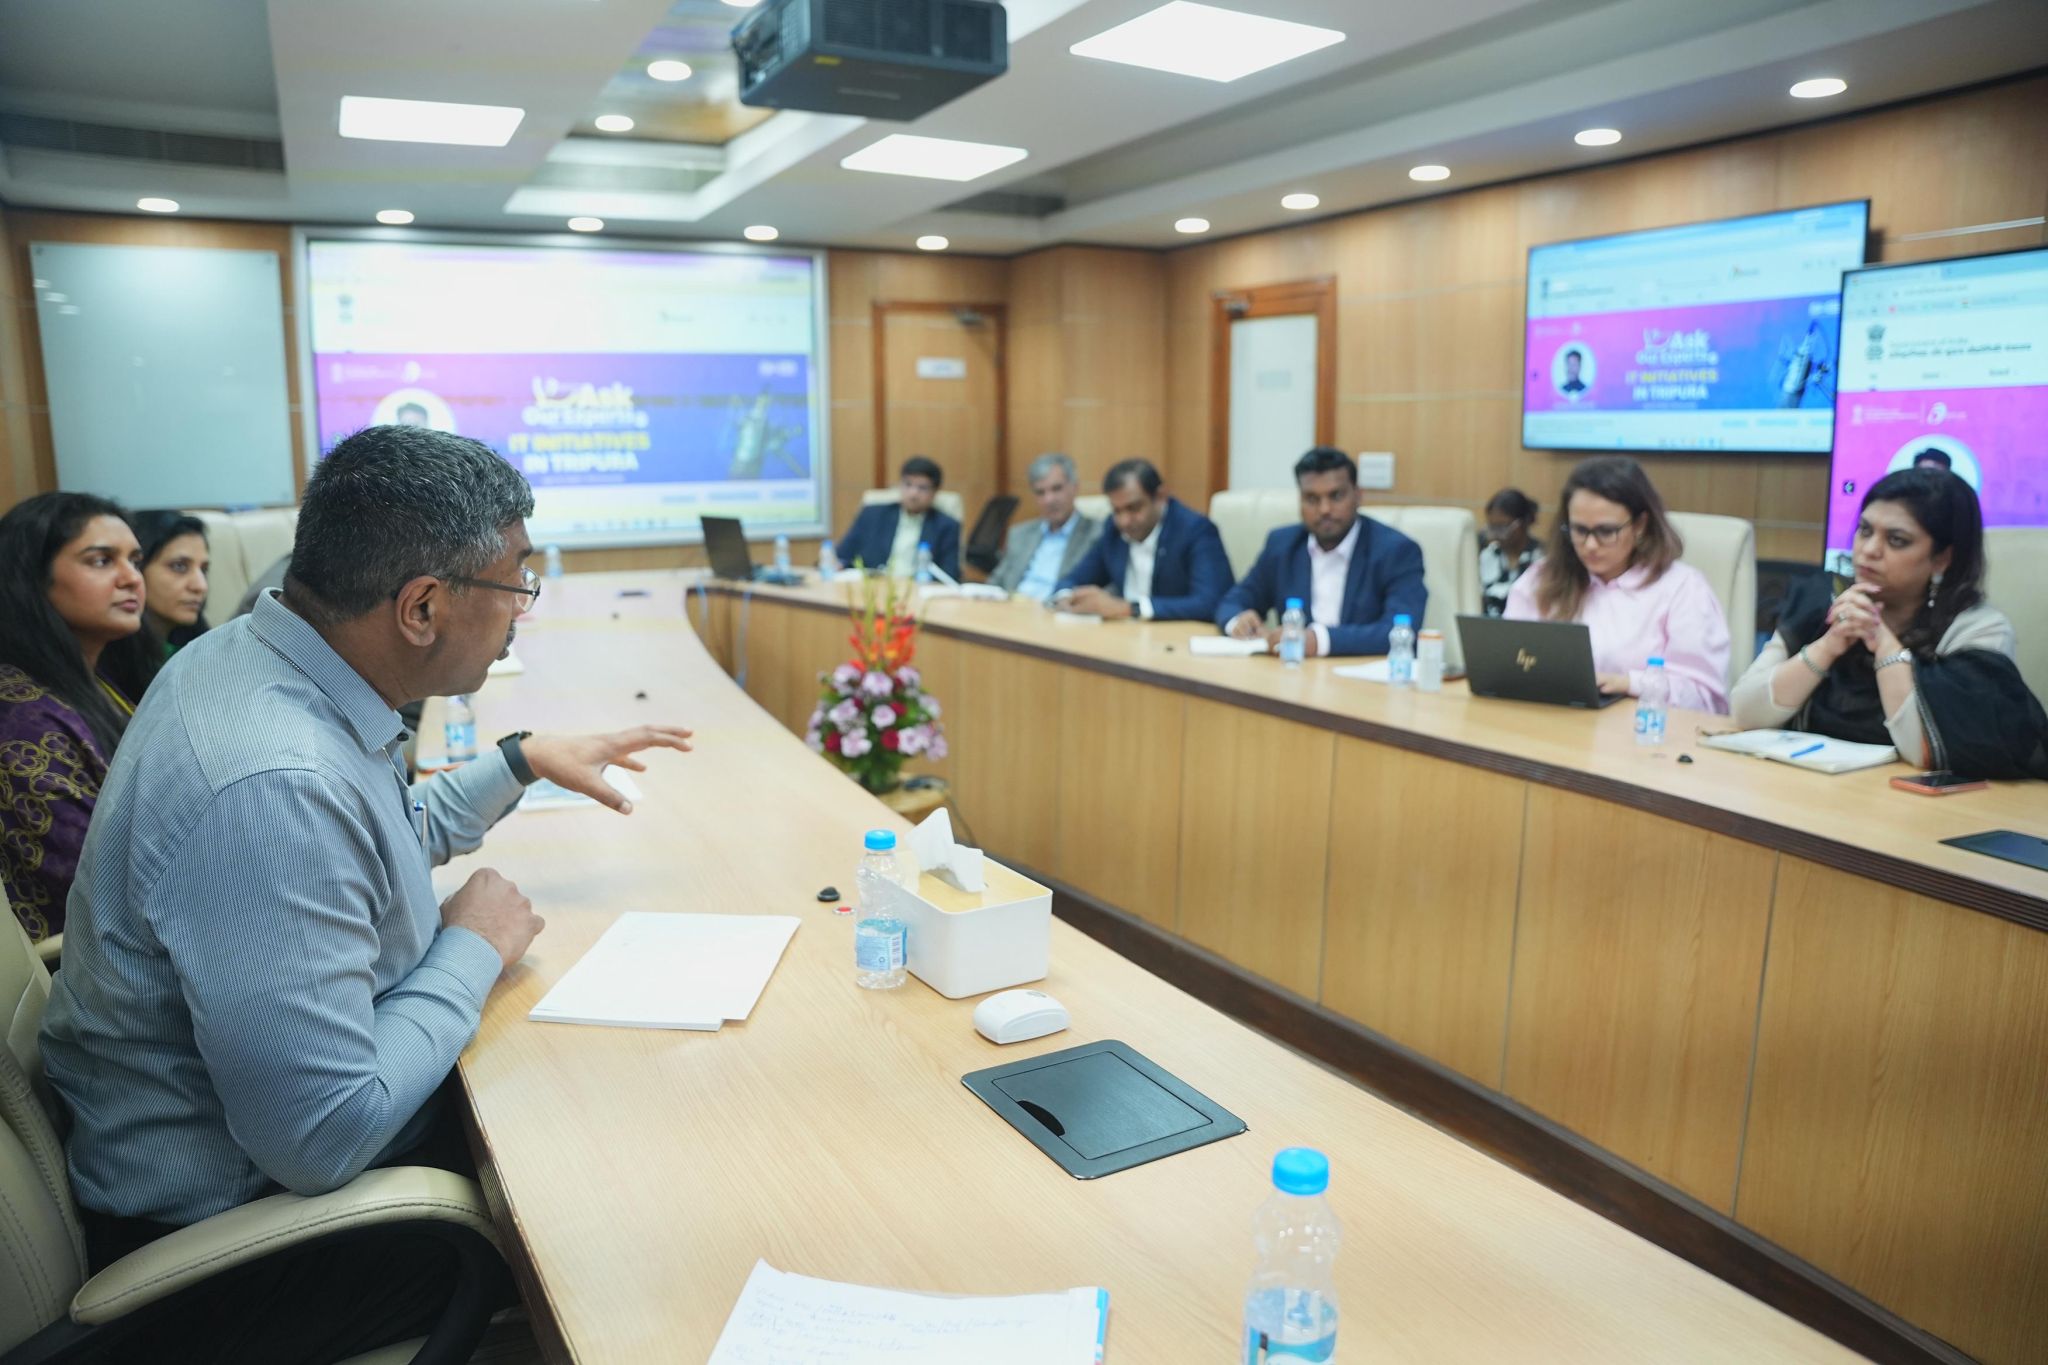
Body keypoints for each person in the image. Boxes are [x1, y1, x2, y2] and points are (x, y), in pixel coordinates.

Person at [39, 425, 694, 1362]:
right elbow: (322, 1136)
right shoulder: (272, 780)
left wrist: (517, 761)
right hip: (241, 1250)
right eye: (516, 582)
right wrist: (475, 945)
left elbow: (363, 850)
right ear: (421, 606)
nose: (523, 610)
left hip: (268, 1165)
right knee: (615, 1228)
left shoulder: (253, 658)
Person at [1732, 468, 2042, 775]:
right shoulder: (1820, 603)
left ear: (1942, 558)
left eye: (1896, 540)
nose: (1869, 551)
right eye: (1865, 531)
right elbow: (1745, 713)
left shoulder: (1977, 631)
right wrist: (1829, 645)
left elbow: (1928, 750)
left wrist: (1881, 642)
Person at [0, 493, 160, 944]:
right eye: (101, 561)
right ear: (31, 577)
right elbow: (99, 887)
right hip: (90, 963)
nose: (131, 578)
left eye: (135, 560)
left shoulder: (93, 681)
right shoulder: (21, 722)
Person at [1505, 456, 1730, 713]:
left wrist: (1630, 684)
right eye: (1580, 530)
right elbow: (1507, 664)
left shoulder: (1682, 588)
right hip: (1547, 723)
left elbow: (1707, 698)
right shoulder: (1541, 579)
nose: (1590, 545)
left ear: (1640, 525)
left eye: (1606, 531)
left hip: (1639, 731)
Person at [1216, 447, 1426, 657]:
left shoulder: (1396, 551)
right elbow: (1232, 601)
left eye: (1336, 496)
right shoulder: (1282, 545)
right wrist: (1238, 621)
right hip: (1293, 671)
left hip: (1362, 673)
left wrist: (1318, 641)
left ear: (1358, 495)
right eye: (1312, 499)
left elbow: (1400, 631)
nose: (1324, 509)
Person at [1054, 458, 1233, 622]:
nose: (1124, 521)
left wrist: (1129, 608)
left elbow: (1210, 602)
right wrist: (1066, 597)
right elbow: (1073, 579)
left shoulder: (1196, 530)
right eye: (1117, 511)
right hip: (1127, 634)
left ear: (1160, 496)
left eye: (1134, 508)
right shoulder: (1113, 529)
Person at [989, 452, 1103, 599]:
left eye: (1057, 489)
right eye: (1040, 492)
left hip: (1058, 609)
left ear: (1075, 487)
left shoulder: (1097, 535)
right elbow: (995, 583)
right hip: (1013, 608)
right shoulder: (1019, 535)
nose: (1049, 499)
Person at [835, 456, 962, 579]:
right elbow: (843, 556)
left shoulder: (946, 526)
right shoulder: (872, 514)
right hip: (874, 586)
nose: (913, 494)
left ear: (935, 492)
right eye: (908, 484)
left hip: (918, 588)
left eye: (922, 488)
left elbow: (950, 573)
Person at [130, 509, 212, 658]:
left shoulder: (205, 650)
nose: (201, 586)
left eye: (203, 570)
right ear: (137, 568)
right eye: (179, 566)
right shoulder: (103, 659)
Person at [1480, 487, 1541, 617]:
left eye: (1501, 527)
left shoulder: (1541, 559)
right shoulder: (1487, 555)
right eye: (1492, 527)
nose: (1496, 534)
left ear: (1520, 524)